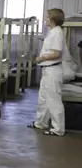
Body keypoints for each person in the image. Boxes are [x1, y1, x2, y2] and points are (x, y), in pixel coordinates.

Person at [28, 9, 69, 137]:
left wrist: (41, 58)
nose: (45, 19)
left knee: (53, 100)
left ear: (52, 19)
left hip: (53, 69)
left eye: (47, 17)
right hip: (48, 70)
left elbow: (56, 53)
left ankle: (58, 129)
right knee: (44, 98)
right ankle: (41, 123)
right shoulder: (53, 32)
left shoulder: (56, 33)